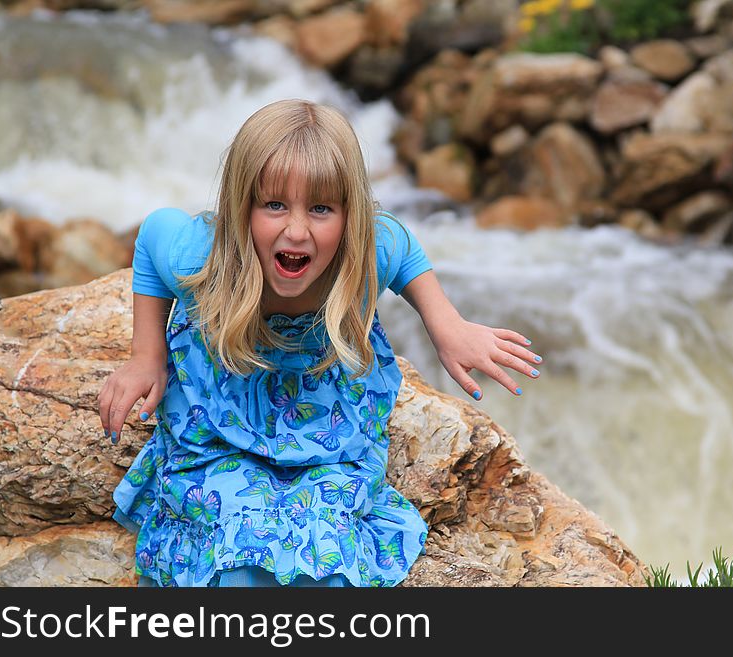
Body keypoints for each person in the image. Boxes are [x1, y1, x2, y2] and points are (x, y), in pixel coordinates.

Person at [98, 99, 544, 588]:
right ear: (238, 207)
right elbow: (152, 232)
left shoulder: (368, 251)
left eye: (321, 208)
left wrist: (447, 324)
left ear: (351, 216)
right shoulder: (200, 258)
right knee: (235, 555)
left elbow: (404, 248)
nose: (297, 229)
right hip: (222, 412)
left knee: (328, 560)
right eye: (273, 205)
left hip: (324, 414)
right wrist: (147, 357)